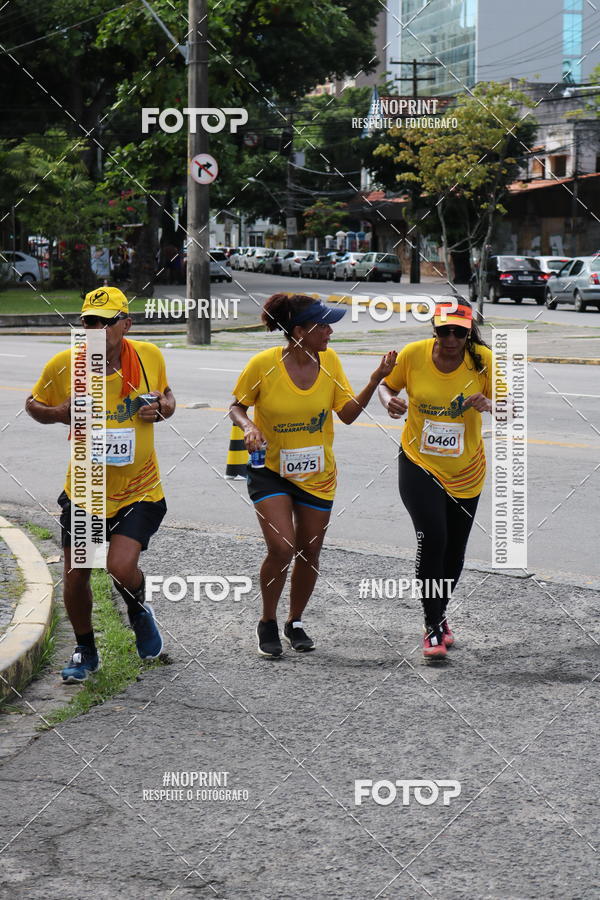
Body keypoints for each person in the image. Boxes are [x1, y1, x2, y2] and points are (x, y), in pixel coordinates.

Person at [229, 293, 396, 658]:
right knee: (282, 548)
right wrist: (248, 426)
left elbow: (347, 415)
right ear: (299, 331)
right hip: (271, 471)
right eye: (323, 326)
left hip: (317, 473)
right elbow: (237, 406)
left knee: (309, 551)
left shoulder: (330, 361)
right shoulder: (263, 365)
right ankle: (267, 620)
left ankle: (295, 621)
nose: (330, 332)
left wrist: (375, 379)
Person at [25, 286, 176, 683]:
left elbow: (168, 397)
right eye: (88, 322)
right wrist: (59, 412)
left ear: (126, 324)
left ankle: (138, 610)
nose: (95, 329)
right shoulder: (66, 364)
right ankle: (85, 650)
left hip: (140, 488)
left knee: (120, 567)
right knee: (77, 573)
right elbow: (33, 404)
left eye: (105, 322)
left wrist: (161, 408)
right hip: (85, 488)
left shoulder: (149, 357)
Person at [378, 299, 493, 660]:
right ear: (434, 329)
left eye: (459, 332)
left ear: (469, 332)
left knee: (455, 550)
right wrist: (388, 400)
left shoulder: (483, 361)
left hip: (466, 469)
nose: (451, 339)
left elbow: (514, 407)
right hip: (419, 462)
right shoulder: (414, 355)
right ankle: (431, 626)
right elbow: (386, 385)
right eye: (445, 331)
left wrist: (491, 404)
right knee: (433, 539)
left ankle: (439, 614)